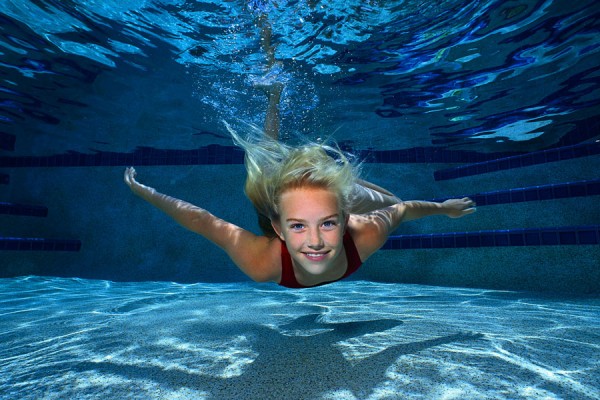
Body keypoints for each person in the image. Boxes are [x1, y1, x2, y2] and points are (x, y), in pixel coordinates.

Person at [123, 20, 476, 289]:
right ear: (278, 229)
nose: (315, 243)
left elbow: (403, 208)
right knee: (269, 160)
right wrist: (146, 192)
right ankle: (275, 98)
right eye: (296, 227)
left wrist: (445, 209)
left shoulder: (364, 233)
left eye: (328, 223)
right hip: (289, 204)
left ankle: (284, 109)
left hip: (323, 202)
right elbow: (203, 221)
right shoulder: (264, 261)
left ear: (344, 219)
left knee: (268, 158)